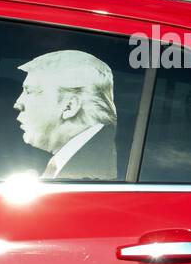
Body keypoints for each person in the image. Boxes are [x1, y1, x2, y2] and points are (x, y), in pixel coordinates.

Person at [13, 50, 117, 179]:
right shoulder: (99, 158)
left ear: (69, 106)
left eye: (29, 91)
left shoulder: (91, 175)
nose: (17, 103)